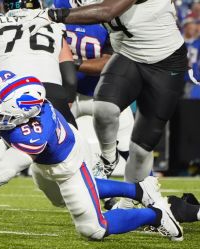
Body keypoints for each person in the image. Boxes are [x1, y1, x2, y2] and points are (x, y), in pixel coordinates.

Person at [0, 72, 184, 241]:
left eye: (0, 114)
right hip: (46, 162)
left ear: (24, 116)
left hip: (67, 164)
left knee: (93, 229)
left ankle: (157, 216)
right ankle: (139, 189)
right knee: (58, 200)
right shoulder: (4, 87)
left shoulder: (33, 132)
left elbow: (1, 174)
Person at [22, 0, 189, 194]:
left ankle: (138, 198)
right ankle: (108, 158)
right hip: (128, 54)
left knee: (141, 149)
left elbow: (107, 11)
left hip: (164, 61)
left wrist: (52, 16)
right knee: (103, 109)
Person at [0, 0, 78, 169]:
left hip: (8, 92)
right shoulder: (55, 26)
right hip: (49, 92)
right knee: (75, 156)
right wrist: (64, 104)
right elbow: (70, 77)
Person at [52, 0, 134, 179]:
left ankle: (148, 186)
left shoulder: (110, 11)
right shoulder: (58, 6)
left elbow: (108, 62)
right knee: (55, 144)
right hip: (67, 93)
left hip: (102, 92)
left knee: (130, 144)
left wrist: (71, 63)